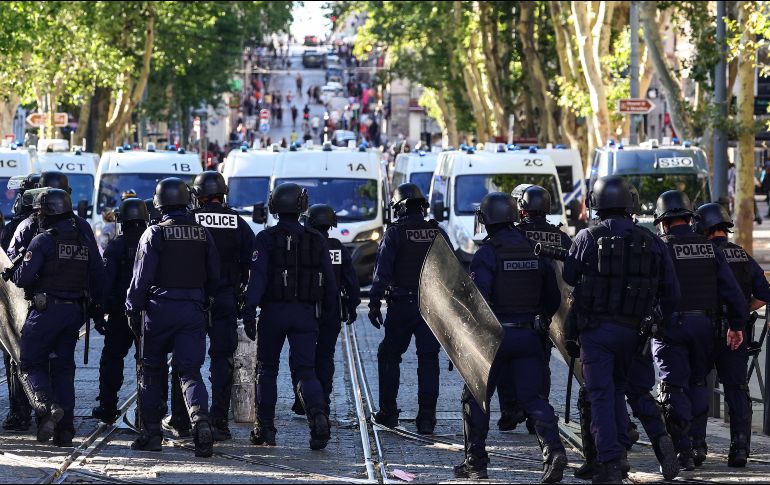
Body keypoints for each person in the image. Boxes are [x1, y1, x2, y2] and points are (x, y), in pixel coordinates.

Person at [563, 176, 680, 483]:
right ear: (630, 202)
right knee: (635, 391)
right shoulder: (651, 240)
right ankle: (661, 442)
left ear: (595, 203)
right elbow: (672, 292)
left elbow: (570, 275)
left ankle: (612, 464)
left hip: (597, 333)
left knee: (601, 394)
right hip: (638, 333)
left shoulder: (587, 238)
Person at [454, 192, 566, 482]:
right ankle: (553, 451)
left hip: (494, 340)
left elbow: (478, 301)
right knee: (534, 399)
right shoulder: (534, 250)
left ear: (488, 220)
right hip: (529, 336)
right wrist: (538, 319)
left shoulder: (487, 254)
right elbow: (553, 296)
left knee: (476, 398)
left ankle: (475, 462)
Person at [652, 190, 747, 471]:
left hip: (671, 327)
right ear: (689, 218)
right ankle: (697, 444)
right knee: (697, 383)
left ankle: (684, 450)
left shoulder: (661, 247)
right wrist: (737, 326)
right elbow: (732, 292)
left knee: (673, 387)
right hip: (705, 328)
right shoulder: (710, 249)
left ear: (664, 222)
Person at [126, 178, 220, 457]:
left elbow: (140, 279)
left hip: (158, 311)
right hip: (192, 309)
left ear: (159, 203)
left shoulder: (153, 233)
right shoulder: (203, 233)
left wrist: (132, 309)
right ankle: (201, 422)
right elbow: (215, 276)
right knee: (190, 372)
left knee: (151, 372)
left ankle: (151, 434)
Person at [242, 183, 337, 450]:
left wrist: (249, 311)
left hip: (273, 313)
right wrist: (328, 316)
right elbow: (329, 282)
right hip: (306, 314)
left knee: (266, 370)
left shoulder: (265, 238)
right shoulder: (317, 239)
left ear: (275, 206)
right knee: (306, 371)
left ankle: (266, 429)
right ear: (301, 206)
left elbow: (257, 279)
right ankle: (318, 416)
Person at [12, 188, 105, 446]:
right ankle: (65, 433)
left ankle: (46, 405)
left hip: (45, 312)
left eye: (41, 211)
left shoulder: (43, 240)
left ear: (49, 212)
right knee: (64, 370)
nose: (38, 216)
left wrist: (18, 268)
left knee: (30, 363)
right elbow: (98, 274)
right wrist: (97, 310)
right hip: (74, 312)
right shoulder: (84, 238)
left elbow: (23, 278)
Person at [693, 202, 770, 467]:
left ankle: (697, 446)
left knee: (698, 385)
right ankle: (739, 448)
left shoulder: (700, 253)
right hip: (735, 333)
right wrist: (742, 310)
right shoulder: (742, 255)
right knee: (737, 389)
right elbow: (764, 294)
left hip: (703, 331)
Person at [368, 183, 448, 434]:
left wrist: (374, 303)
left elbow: (382, 271)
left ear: (400, 207)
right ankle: (427, 418)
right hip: (432, 307)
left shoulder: (395, 233)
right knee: (428, 359)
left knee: (389, 355)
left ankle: (388, 413)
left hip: (402, 305)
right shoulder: (437, 232)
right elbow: (452, 272)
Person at [497, 184, 572, 433]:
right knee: (541, 363)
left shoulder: (516, 234)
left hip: (519, 307)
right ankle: (536, 413)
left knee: (506, 362)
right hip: (552, 312)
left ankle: (511, 409)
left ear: (523, 208)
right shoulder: (561, 237)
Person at [189, 171, 255, 441]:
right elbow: (253, 261)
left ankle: (186, 418)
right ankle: (219, 421)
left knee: (186, 361)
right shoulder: (237, 222)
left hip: (193, 298)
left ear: (200, 195)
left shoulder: (190, 220)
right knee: (222, 359)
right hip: (226, 297)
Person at [290, 204, 360, 415]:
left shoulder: (302, 244)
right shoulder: (337, 247)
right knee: (325, 355)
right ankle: (324, 398)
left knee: (301, 356)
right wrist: (353, 305)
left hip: (305, 307)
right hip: (332, 309)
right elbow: (351, 280)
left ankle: (302, 399)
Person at [92, 198, 149, 424]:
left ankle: (108, 406)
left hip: (121, 313)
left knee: (112, 358)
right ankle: (153, 406)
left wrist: (100, 312)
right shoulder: (154, 240)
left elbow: (106, 282)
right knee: (151, 361)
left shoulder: (116, 245)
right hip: (151, 313)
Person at [0, 173, 39, 432]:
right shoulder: (77, 225)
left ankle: (21, 413)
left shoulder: (18, 226)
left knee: (16, 359)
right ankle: (54, 414)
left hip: (18, 304)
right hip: (58, 305)